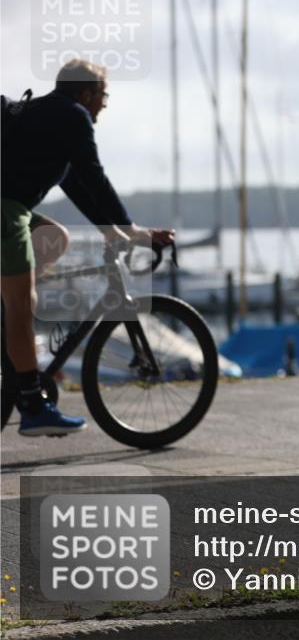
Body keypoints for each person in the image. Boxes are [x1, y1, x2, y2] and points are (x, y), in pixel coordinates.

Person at [1, 59, 175, 436]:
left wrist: (112, 231)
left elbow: (79, 185)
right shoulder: (73, 116)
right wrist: (130, 228)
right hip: (5, 210)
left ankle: (10, 344)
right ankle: (32, 405)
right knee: (21, 304)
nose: (104, 105)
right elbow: (95, 176)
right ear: (86, 93)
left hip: (11, 208)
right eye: (103, 96)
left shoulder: (47, 117)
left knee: (55, 238)